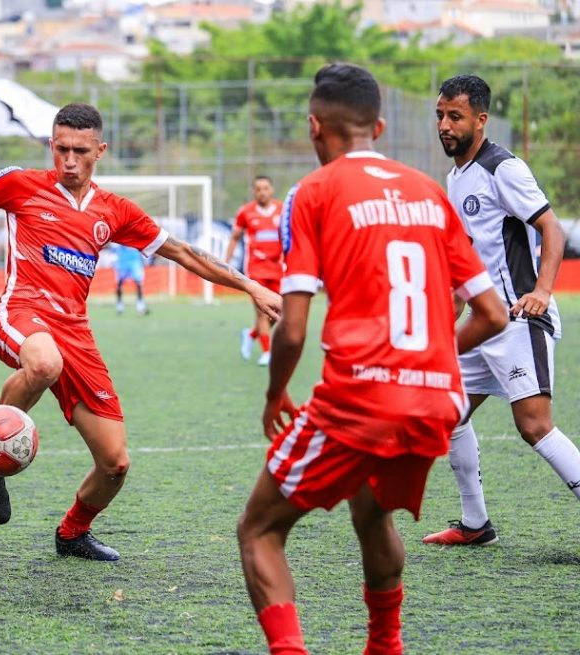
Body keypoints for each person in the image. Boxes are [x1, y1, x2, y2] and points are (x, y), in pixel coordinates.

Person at [0, 103, 281, 562]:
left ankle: (72, 534)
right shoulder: (20, 184)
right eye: (61, 149)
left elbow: (183, 253)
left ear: (100, 151)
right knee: (45, 364)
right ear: (51, 145)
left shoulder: (114, 210)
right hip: (23, 311)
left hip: (76, 333)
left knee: (115, 463)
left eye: (80, 151)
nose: (69, 160)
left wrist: (250, 286)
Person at [238, 64, 507, 655]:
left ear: (315, 126)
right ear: (378, 127)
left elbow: (291, 329)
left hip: (361, 396)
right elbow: (491, 314)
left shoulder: (313, 192)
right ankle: (386, 645)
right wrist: (430, 356)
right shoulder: (430, 192)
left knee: (258, 529)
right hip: (437, 399)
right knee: (371, 513)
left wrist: (274, 394)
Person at [423, 74, 580, 546]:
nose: (444, 125)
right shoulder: (456, 178)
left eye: (455, 116)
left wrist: (543, 292)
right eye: (440, 116)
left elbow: (552, 229)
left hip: (516, 320)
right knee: (449, 416)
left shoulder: (503, 168)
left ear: (481, 119)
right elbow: (468, 264)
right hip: (481, 323)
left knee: (534, 426)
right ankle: (476, 525)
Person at [225, 176, 284, 366]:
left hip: (278, 269)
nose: (262, 192)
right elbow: (235, 237)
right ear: (254, 192)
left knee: (279, 311)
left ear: (271, 190)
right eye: (258, 189)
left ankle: (250, 335)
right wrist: (226, 262)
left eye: (265, 188)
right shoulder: (246, 212)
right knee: (261, 312)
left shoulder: (282, 210)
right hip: (256, 269)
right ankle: (267, 352)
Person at [112, 244, 148, 315]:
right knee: (119, 283)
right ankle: (119, 305)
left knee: (138, 283)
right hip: (123, 261)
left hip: (135, 261)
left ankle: (140, 305)